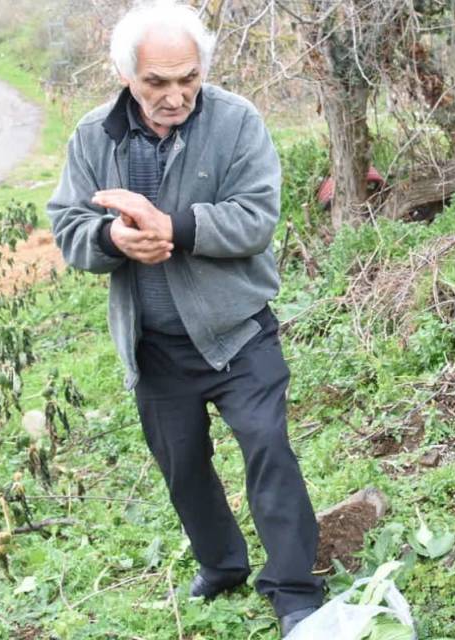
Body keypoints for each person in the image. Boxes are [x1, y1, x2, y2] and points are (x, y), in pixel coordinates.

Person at [46, 1, 322, 634]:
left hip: (237, 334)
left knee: (268, 449)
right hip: (156, 347)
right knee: (184, 466)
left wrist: (175, 227)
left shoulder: (236, 122)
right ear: (127, 77)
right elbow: (68, 226)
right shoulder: (94, 136)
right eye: (157, 83)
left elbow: (256, 216)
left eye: (187, 78)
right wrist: (115, 239)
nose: (176, 96)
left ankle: (295, 589)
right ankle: (222, 566)